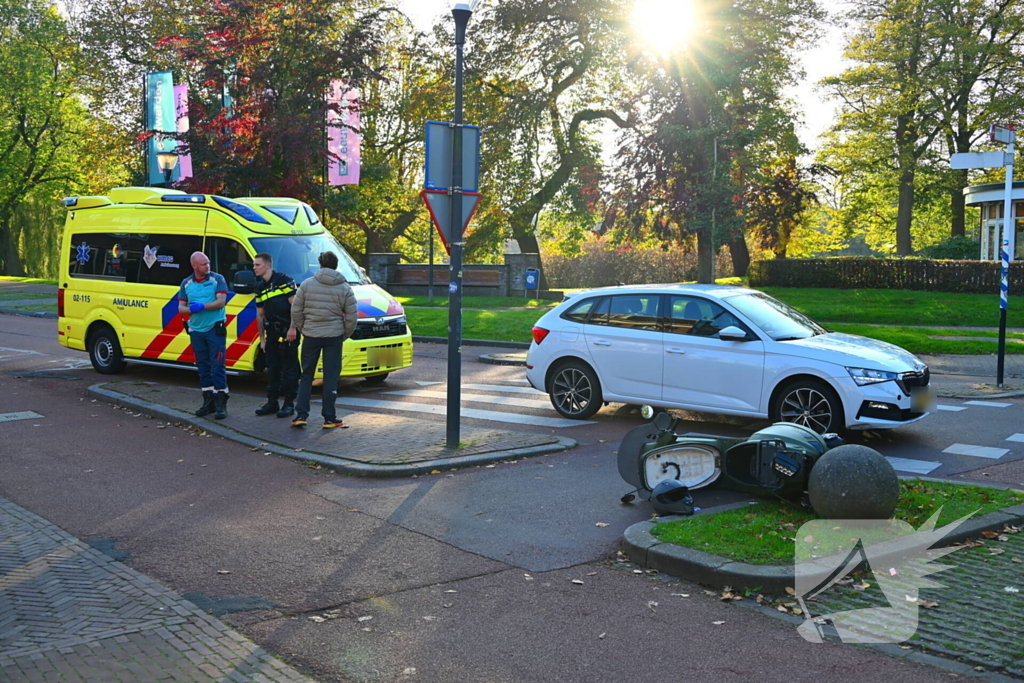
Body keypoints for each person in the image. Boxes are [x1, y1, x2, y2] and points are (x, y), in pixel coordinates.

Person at [288, 251, 358, 428]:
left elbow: (296, 310)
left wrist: (304, 328)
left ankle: (301, 415)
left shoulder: (306, 284)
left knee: (307, 376)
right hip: (333, 336)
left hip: (311, 334)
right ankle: (329, 417)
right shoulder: (344, 288)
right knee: (331, 376)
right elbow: (352, 317)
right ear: (336, 266)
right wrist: (343, 334)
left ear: (320, 265)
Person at [178, 251, 229, 419]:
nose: (208, 266)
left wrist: (203, 306)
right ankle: (208, 402)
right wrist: (191, 309)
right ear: (194, 266)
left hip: (214, 329)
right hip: (196, 330)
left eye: (208, 263)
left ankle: (221, 403)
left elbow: (221, 302)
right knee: (203, 367)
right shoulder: (186, 283)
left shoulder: (217, 279)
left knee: (218, 366)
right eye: (203, 264)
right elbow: (181, 308)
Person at [252, 253, 300, 418]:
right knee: (272, 368)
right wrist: (262, 339)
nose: (254, 268)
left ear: (267, 265)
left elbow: (295, 306)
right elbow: (260, 314)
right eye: (254, 265)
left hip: (288, 330)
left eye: (257, 265)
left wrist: (293, 327)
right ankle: (272, 402)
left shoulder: (284, 280)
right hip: (272, 332)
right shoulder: (259, 287)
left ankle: (288, 404)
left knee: (289, 369)